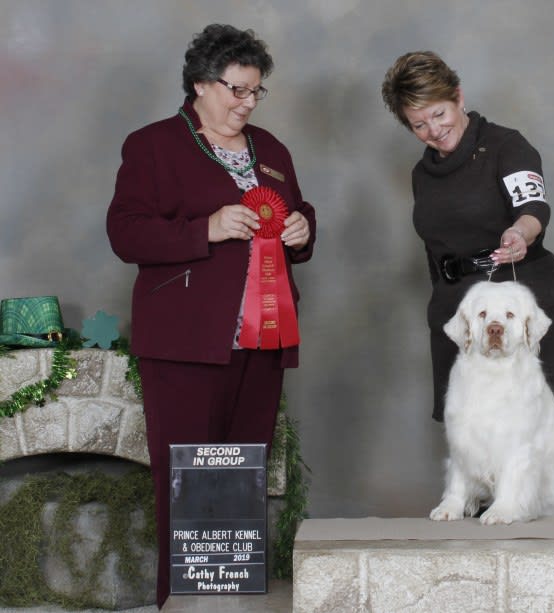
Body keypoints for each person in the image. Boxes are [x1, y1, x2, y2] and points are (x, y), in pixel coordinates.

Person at [107, 24, 315, 608]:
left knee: (240, 476)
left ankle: (231, 602)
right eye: (236, 90)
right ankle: (181, 602)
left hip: (263, 343)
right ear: (200, 83)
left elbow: (297, 212)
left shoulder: (271, 150)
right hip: (184, 342)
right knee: (185, 478)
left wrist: (301, 230)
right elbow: (125, 232)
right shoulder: (151, 145)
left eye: (256, 92)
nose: (246, 103)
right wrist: (207, 228)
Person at [381, 50, 554, 422]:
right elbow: (433, 250)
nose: (433, 130)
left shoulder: (507, 145)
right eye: (419, 125)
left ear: (458, 97)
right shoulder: (422, 174)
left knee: (534, 429)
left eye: (439, 114)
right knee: (468, 429)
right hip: (458, 311)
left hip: (520, 296)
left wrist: (521, 232)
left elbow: (534, 207)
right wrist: (442, 306)